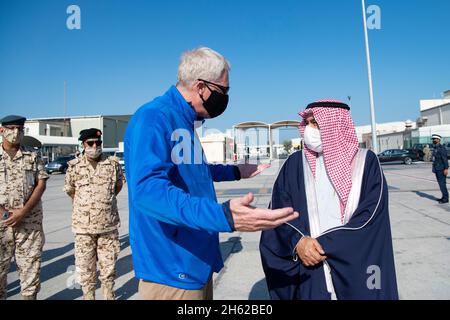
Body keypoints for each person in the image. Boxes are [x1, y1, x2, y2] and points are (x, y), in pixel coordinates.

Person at [124, 47, 298, 300]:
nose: (226, 97)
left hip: (196, 260)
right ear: (201, 87)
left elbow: (195, 171)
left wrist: (236, 171)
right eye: (223, 91)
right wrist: (223, 216)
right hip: (171, 268)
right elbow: (147, 191)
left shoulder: (184, 121)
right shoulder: (154, 118)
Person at [260, 100, 398, 300]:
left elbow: (370, 219)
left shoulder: (366, 163)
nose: (308, 130)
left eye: (314, 123)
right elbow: (279, 212)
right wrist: (298, 243)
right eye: (306, 123)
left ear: (335, 126)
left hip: (353, 265)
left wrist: (322, 245)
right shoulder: (295, 164)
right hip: (309, 265)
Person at [63, 128, 125, 300]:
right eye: (90, 143)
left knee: (109, 265)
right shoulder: (74, 167)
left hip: (108, 225)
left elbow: (118, 186)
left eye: (98, 143)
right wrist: (87, 206)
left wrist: (103, 201)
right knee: (85, 267)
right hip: (83, 227)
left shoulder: (112, 164)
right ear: (83, 145)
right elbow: (71, 190)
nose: (95, 146)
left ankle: (108, 293)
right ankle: (88, 296)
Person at [0, 115, 48, 300]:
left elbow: (41, 184)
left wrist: (24, 211)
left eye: (20, 129)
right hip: (2, 225)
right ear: (2, 130)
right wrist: (3, 212)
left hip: (29, 225)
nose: (16, 132)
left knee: (30, 274)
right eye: (11, 128)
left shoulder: (33, 155)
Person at [431, 134, 449, 204]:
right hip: (437, 168)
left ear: (438, 140)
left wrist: (446, 168)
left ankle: (445, 198)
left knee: (442, 184)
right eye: (433, 139)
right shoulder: (435, 148)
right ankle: (443, 197)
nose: (433, 140)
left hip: (441, 169)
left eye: (434, 139)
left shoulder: (441, 148)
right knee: (440, 184)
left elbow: (445, 159)